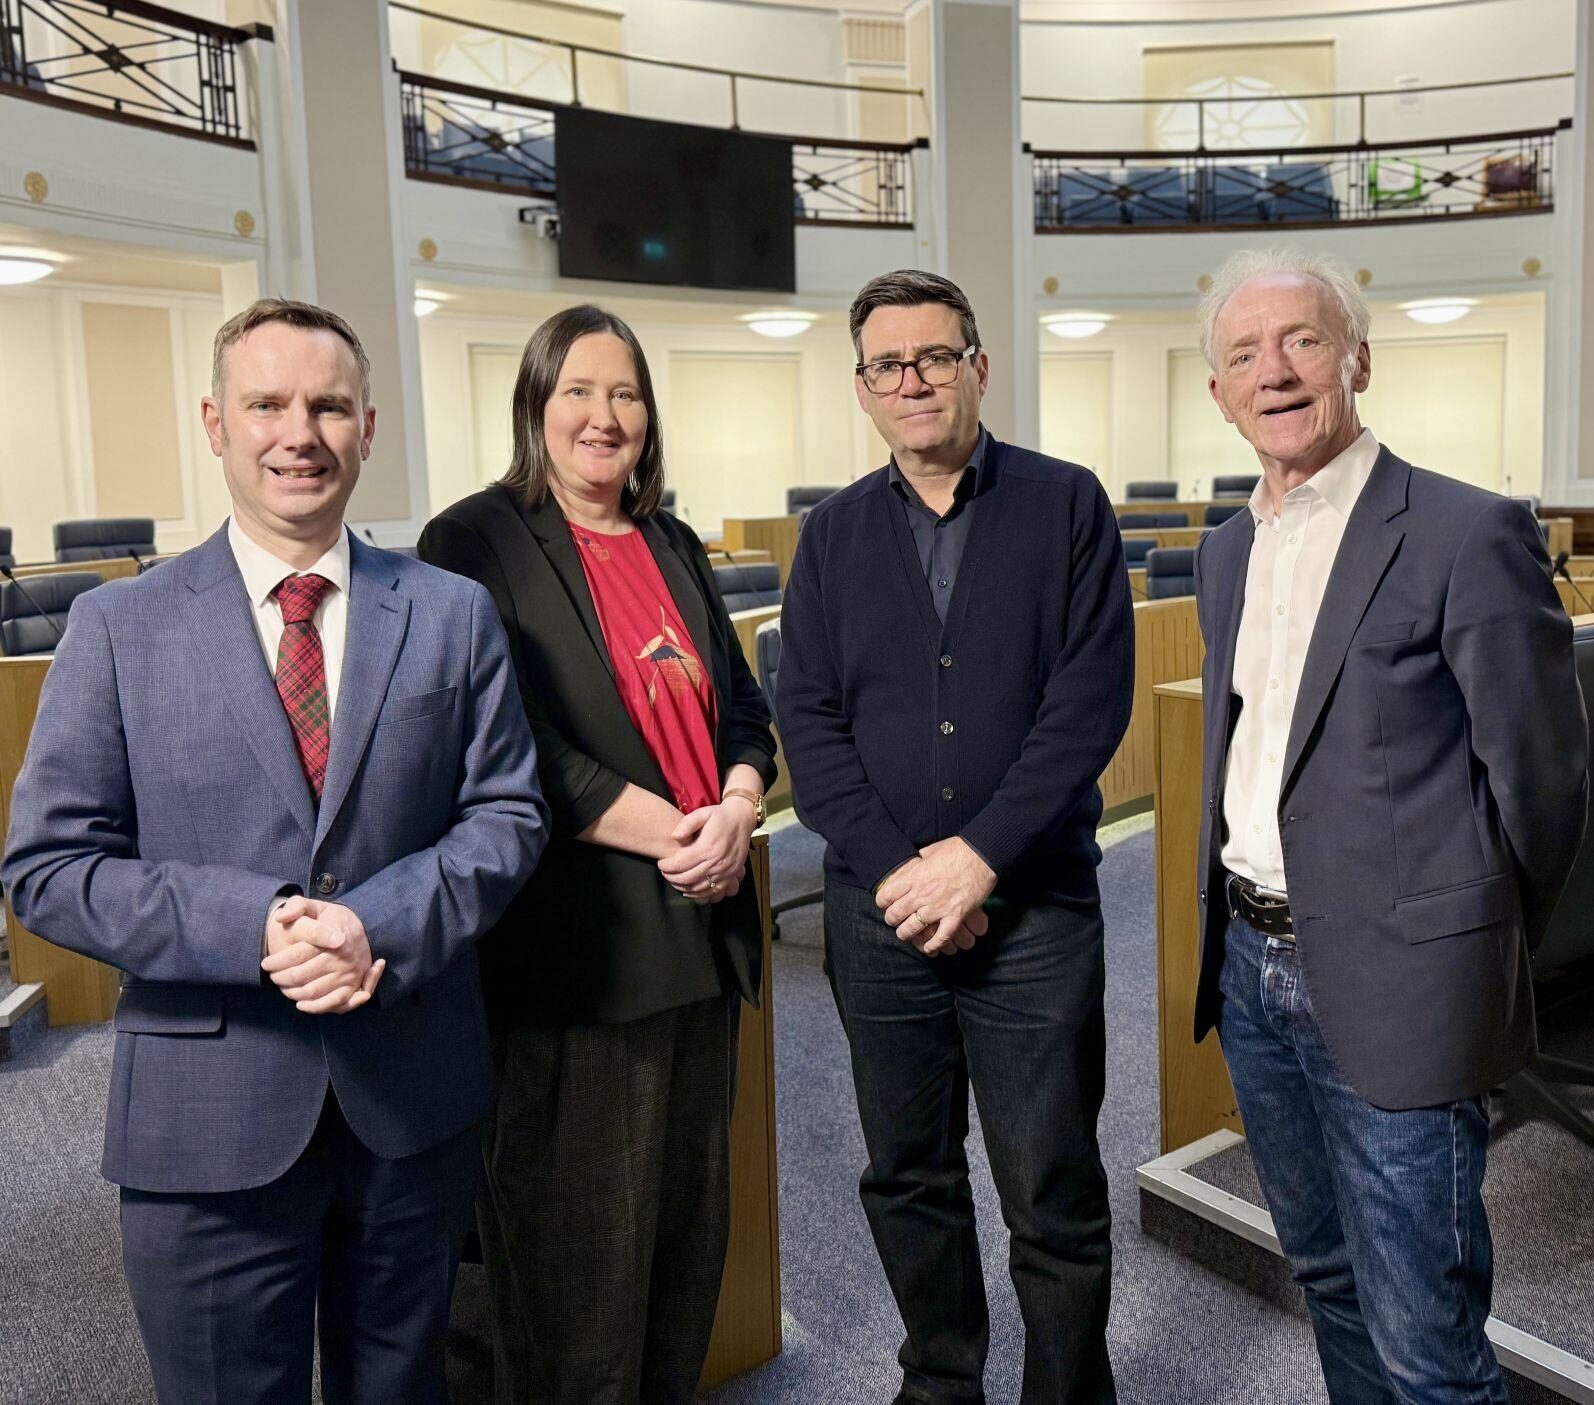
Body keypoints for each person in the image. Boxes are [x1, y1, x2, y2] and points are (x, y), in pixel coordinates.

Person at [1, 298, 549, 1404]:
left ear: (367, 427)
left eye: (329, 406)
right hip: (206, 1112)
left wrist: (370, 924)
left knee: (399, 1387)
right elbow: (49, 868)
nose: (300, 432)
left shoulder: (450, 613)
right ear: (216, 423)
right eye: (267, 404)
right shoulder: (119, 628)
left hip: (409, 1098)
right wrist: (254, 925)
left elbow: (508, 817)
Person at [1191, 247, 1588, 1404]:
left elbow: (1543, 785)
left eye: (1301, 341)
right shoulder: (1226, 550)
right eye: (1243, 354)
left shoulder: (1466, 531)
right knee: (1323, 1275)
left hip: (1403, 981)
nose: (1273, 371)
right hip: (1249, 972)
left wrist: (1465, 943)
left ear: (1356, 360)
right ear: (1217, 391)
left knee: (1426, 1339)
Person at [777, 269, 1133, 1404]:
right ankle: (940, 1379)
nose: (914, 380)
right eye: (888, 364)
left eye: (935, 356)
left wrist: (975, 862)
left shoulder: (1065, 502)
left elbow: (1088, 703)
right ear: (862, 388)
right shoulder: (830, 535)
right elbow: (809, 723)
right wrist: (906, 875)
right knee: (907, 1174)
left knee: (1052, 1182)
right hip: (878, 916)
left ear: (977, 366)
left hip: (1033, 908)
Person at [417, 304, 777, 1405]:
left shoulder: (671, 541)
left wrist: (739, 805)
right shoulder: (473, 541)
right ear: (535, 402)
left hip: (701, 936)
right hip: (579, 956)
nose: (602, 415)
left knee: (682, 1250)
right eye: (577, 389)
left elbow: (742, 707)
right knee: (575, 1271)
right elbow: (508, 741)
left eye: (624, 393)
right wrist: (682, 833)